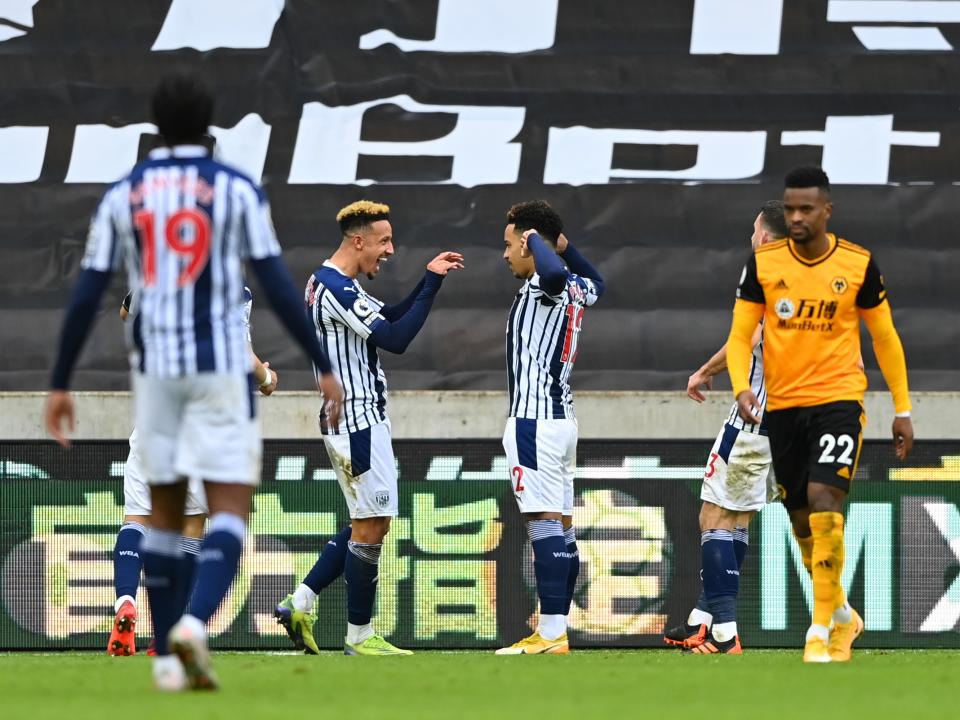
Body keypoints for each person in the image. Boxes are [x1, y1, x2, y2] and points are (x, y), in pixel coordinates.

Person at [44, 73, 343, 691]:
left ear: (154, 126)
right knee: (226, 510)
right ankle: (191, 628)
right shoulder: (235, 190)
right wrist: (322, 363)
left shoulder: (125, 193)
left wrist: (59, 380)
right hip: (220, 379)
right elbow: (279, 286)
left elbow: (87, 295)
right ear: (211, 127)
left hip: (157, 382)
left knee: (160, 515)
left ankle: (161, 656)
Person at [727, 166, 913, 663]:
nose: (797, 216)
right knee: (801, 518)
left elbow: (885, 337)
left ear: (826, 211)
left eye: (806, 208)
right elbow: (741, 335)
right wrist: (741, 386)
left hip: (839, 400)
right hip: (783, 407)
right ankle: (845, 615)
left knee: (826, 496)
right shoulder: (763, 265)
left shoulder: (857, 264)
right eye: (790, 208)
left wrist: (902, 407)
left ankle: (820, 630)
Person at [274, 200, 462, 656]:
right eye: (383, 241)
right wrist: (433, 286)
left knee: (369, 521)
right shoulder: (336, 287)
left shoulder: (332, 283)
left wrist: (428, 277)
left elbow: (390, 317)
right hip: (356, 419)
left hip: (358, 418)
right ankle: (359, 635)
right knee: (371, 526)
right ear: (358, 241)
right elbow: (396, 340)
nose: (390, 250)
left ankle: (299, 602)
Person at [108, 288, 278, 657]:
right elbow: (243, 356)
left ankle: (126, 602)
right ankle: (169, 632)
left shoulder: (157, 274)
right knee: (194, 526)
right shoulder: (234, 289)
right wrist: (266, 378)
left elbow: (126, 314)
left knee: (137, 520)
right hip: (203, 422)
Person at [663, 201, 788, 654]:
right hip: (787, 430)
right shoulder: (808, 284)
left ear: (767, 239)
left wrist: (703, 371)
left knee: (714, 517)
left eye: (754, 231)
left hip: (751, 423)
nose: (750, 238)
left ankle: (724, 632)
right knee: (735, 519)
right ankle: (703, 616)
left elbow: (749, 338)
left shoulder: (770, 282)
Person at [494, 200, 604, 655]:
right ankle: (555, 630)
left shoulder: (548, 281)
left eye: (510, 244)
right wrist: (562, 243)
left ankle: (553, 632)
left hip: (534, 422)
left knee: (543, 523)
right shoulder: (578, 287)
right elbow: (597, 282)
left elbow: (555, 275)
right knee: (560, 525)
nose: (505, 255)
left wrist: (537, 240)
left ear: (527, 242)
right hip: (561, 420)